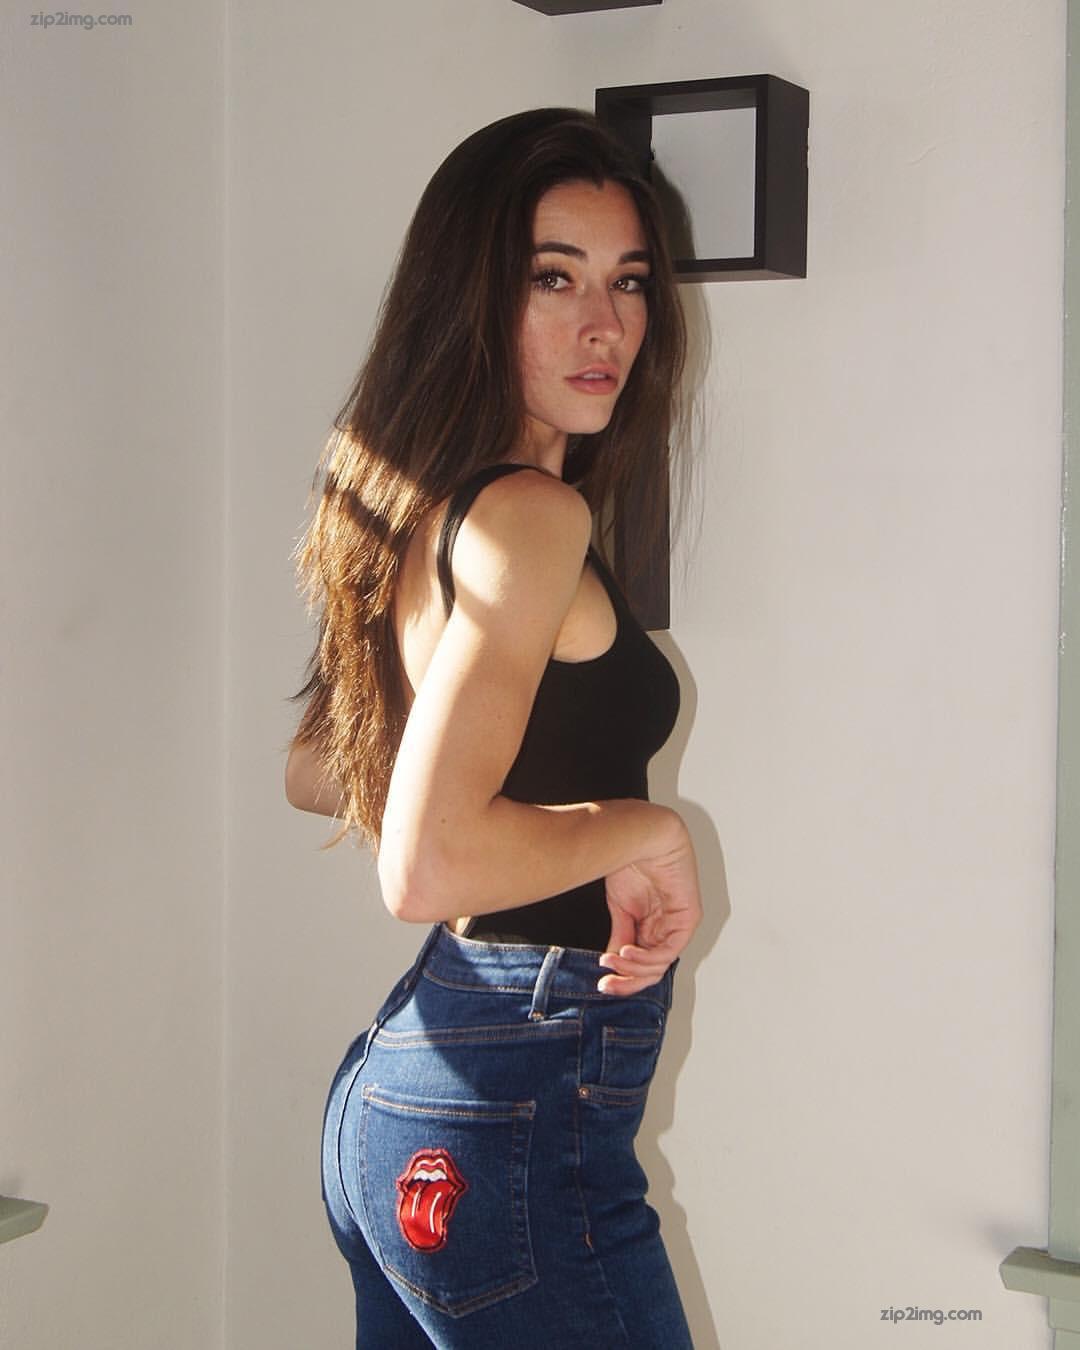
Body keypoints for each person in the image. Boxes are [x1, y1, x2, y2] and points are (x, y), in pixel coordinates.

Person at [285, 106, 703, 1349]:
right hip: (509, 1099)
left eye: (628, 280)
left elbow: (318, 769)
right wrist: (641, 830)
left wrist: (562, 828)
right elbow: (428, 865)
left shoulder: (420, 504)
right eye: (552, 278)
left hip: (419, 1091)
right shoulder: (527, 518)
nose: (604, 323)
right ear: (471, 296)